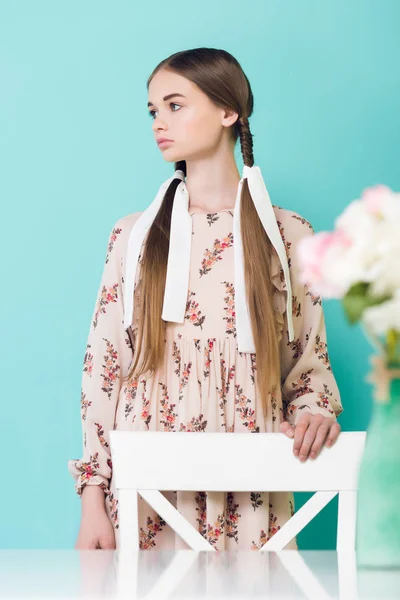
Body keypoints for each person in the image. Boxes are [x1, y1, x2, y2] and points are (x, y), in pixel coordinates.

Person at [68, 47, 344, 551]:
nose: (158, 122)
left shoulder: (287, 235)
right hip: (146, 489)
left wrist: (313, 411)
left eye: (175, 105)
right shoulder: (132, 236)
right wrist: (93, 498)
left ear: (228, 112)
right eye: (153, 110)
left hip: (249, 485)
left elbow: (307, 364)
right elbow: (103, 371)